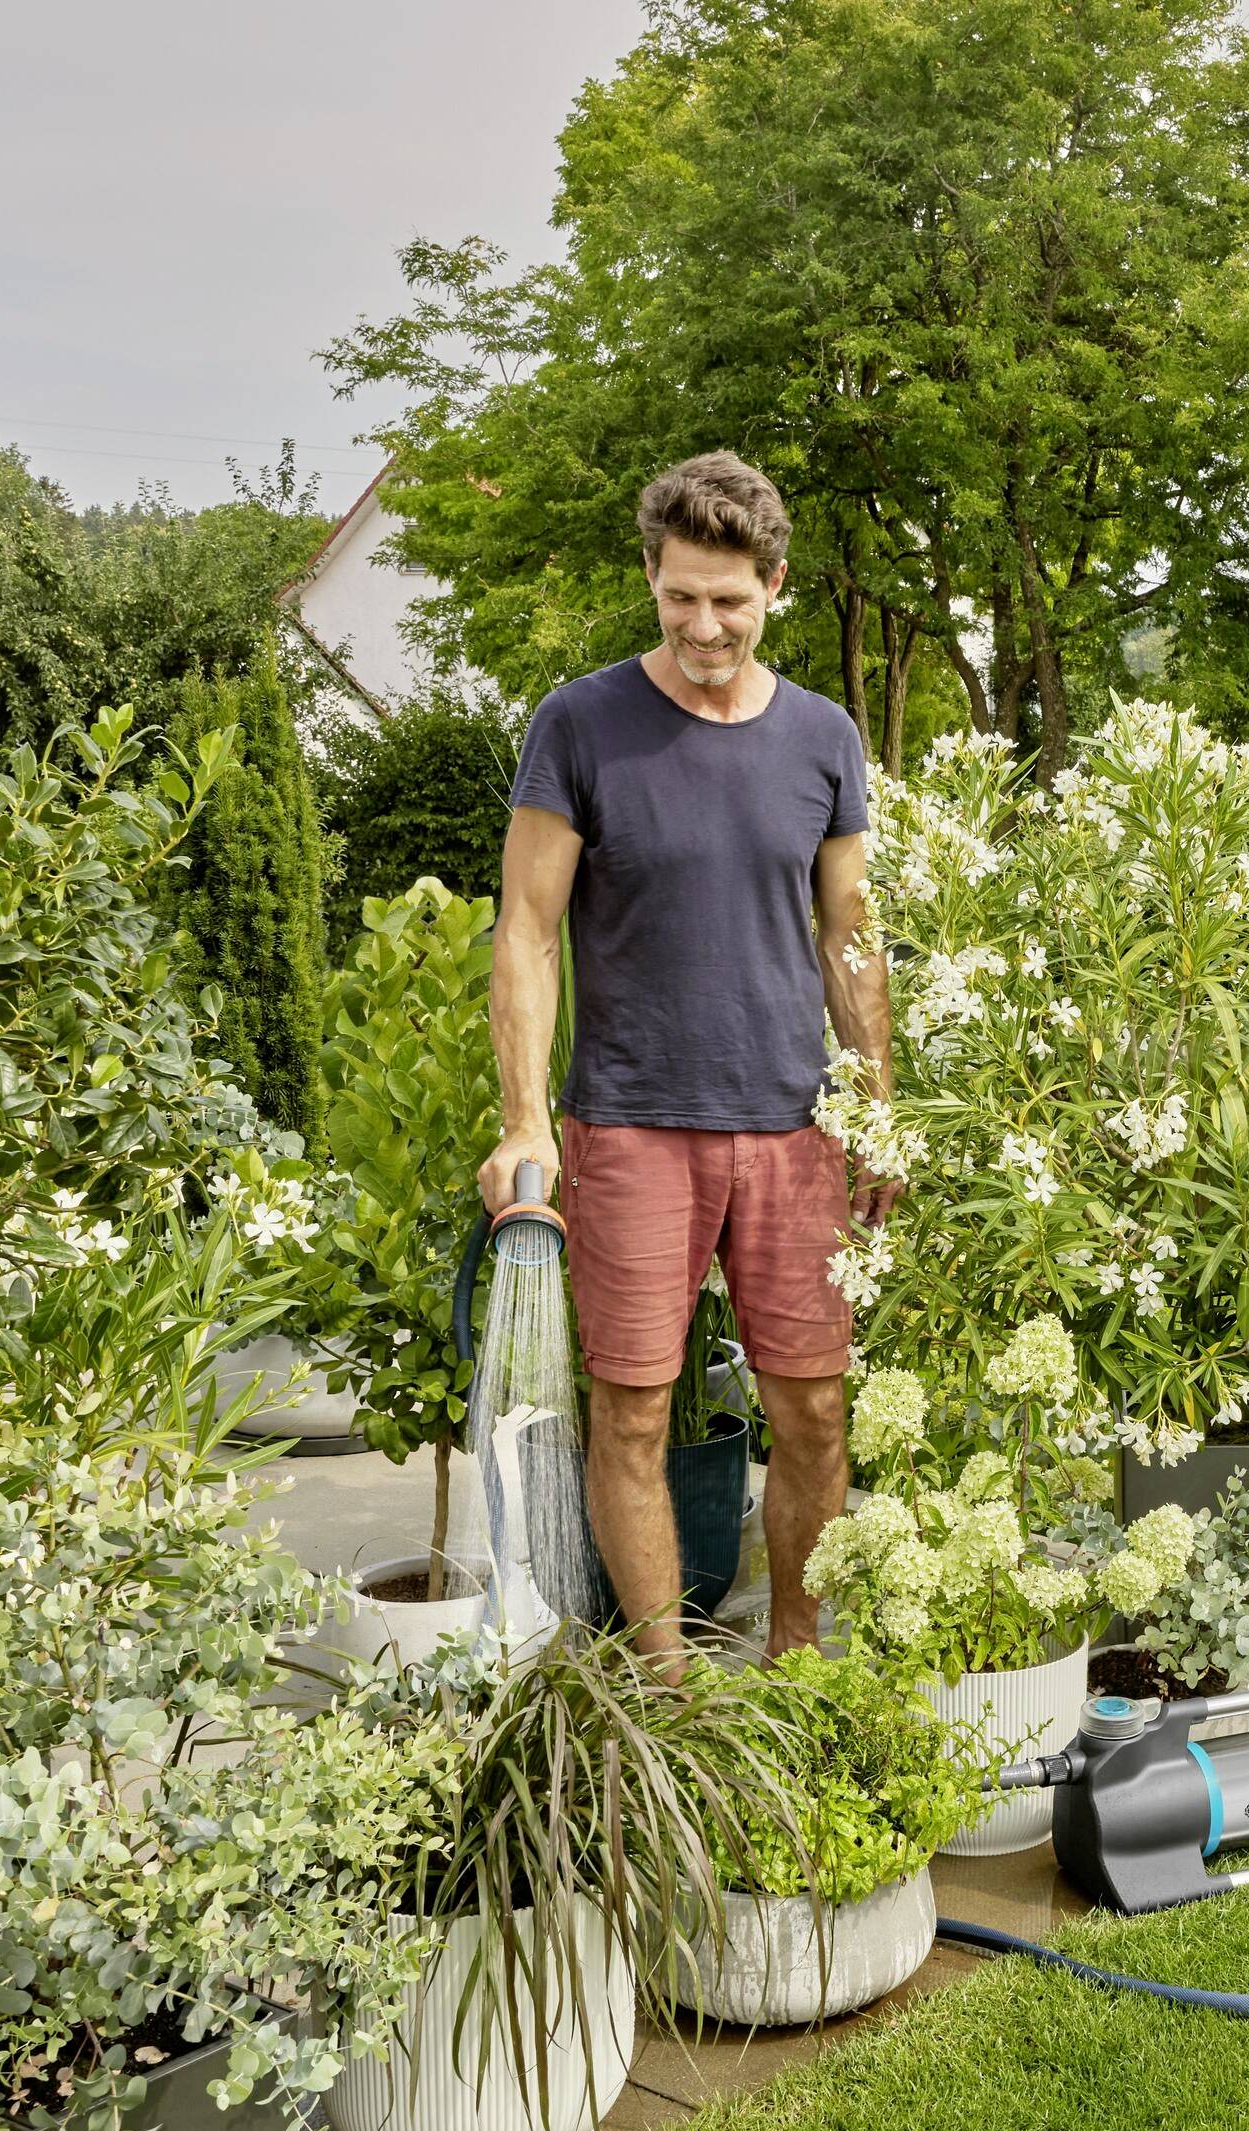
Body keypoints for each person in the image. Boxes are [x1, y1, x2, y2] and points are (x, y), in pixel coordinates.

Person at [481, 451, 896, 1667]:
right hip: (630, 1125)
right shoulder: (580, 722)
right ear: (651, 581)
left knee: (814, 1411)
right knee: (632, 1412)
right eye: (679, 597)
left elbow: (850, 935)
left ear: (774, 586)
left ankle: (800, 1666)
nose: (704, 625)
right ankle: (666, 1695)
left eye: (729, 598)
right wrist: (522, 1119)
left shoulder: (824, 736)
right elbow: (526, 929)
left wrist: (881, 1115)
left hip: (792, 1132)